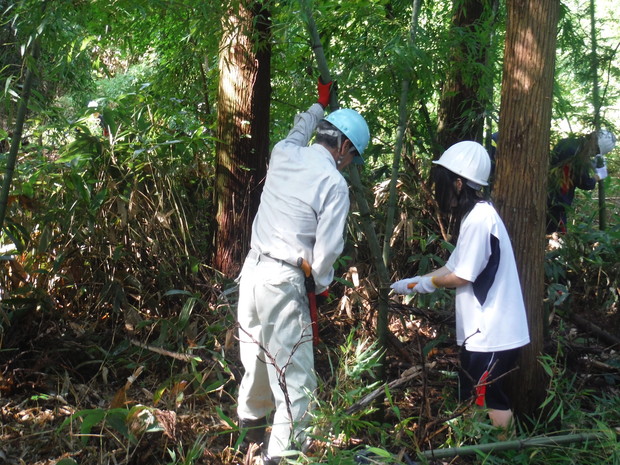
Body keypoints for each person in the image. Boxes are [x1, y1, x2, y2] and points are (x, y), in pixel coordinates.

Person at [236, 79, 370, 464]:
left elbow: (300, 127)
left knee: (257, 362)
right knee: (296, 382)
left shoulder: (284, 152)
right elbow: (327, 252)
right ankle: (280, 458)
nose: (348, 163)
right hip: (284, 282)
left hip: (252, 274)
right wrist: (321, 283)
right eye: (352, 155)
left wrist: (318, 103)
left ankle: (248, 441)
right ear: (343, 147)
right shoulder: (333, 183)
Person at [390, 141, 530, 432]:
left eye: (443, 182)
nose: (439, 189)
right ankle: (472, 449)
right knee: (471, 394)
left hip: (493, 332)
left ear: (458, 183)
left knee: (489, 395)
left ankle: (508, 453)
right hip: (481, 332)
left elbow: (462, 276)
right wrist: (412, 284)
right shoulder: (475, 217)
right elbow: (453, 267)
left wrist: (427, 284)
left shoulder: (481, 219)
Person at [546, 129, 615, 234]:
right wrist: (598, 176)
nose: (593, 154)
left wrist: (591, 164)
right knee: (555, 234)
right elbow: (585, 183)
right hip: (557, 202)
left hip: (548, 193)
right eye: (595, 151)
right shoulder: (579, 155)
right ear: (595, 145)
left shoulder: (567, 142)